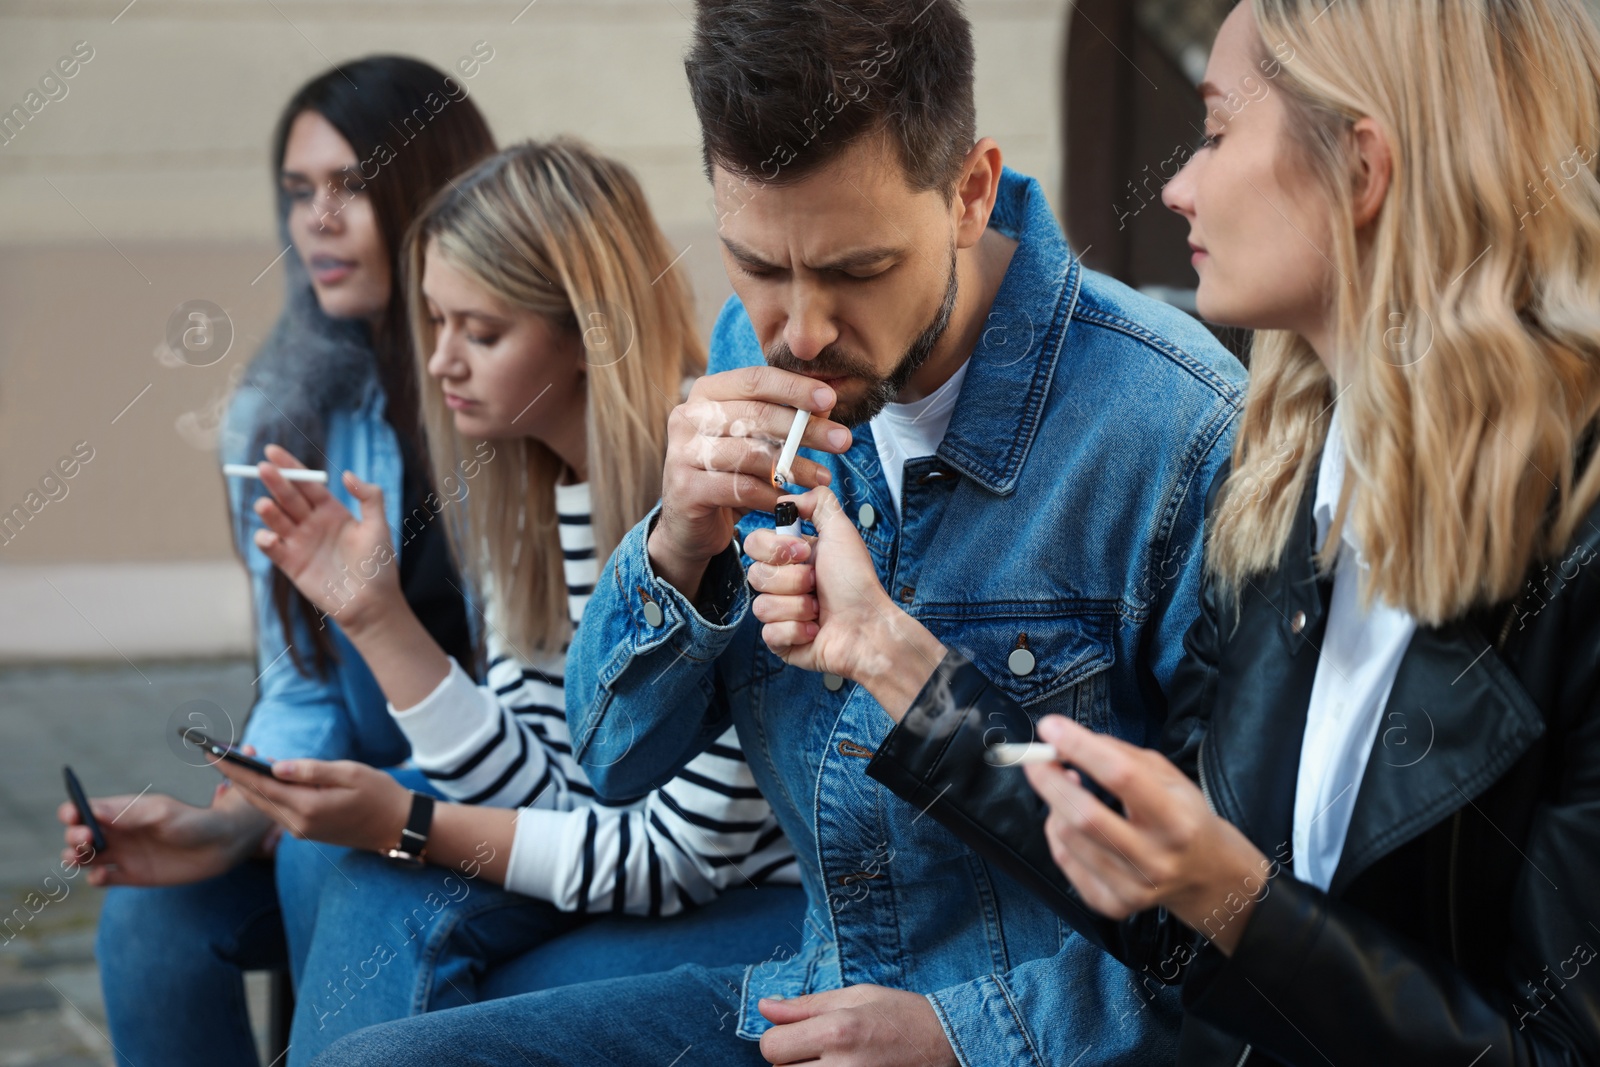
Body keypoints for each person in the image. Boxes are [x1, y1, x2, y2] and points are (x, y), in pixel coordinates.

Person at [314, 1, 1247, 1064]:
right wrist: (675, 542)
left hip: (1033, 1037)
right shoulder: (743, 358)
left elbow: (1236, 924)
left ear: (969, 191)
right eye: (756, 265)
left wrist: (961, 1033)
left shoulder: (1174, 429)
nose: (800, 328)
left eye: (855, 271)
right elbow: (612, 758)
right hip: (805, 994)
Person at [781, 1, 1600, 1064]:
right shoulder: (1286, 485)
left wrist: (1232, 896)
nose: (1177, 185)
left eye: (1216, 133)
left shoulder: (1574, 551)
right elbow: (1162, 894)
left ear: (1361, 170)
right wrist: (881, 649)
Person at [214, 139, 805, 1065]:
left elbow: (674, 858)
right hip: (657, 883)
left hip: (769, 911)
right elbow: (555, 790)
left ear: (584, 335)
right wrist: (373, 615)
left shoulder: (708, 492)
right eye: (436, 322)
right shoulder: (533, 491)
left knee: (407, 906)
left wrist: (407, 821)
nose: (441, 361)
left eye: (479, 333)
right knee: (352, 873)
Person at [57, 56, 495, 1067]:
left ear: (429, 185)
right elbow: (299, 677)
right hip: (360, 770)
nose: (317, 221)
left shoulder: (510, 383)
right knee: (147, 919)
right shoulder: (276, 411)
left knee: (318, 850)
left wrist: (315, 805)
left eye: (350, 185)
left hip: (509, 778)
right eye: (298, 193)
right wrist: (244, 799)